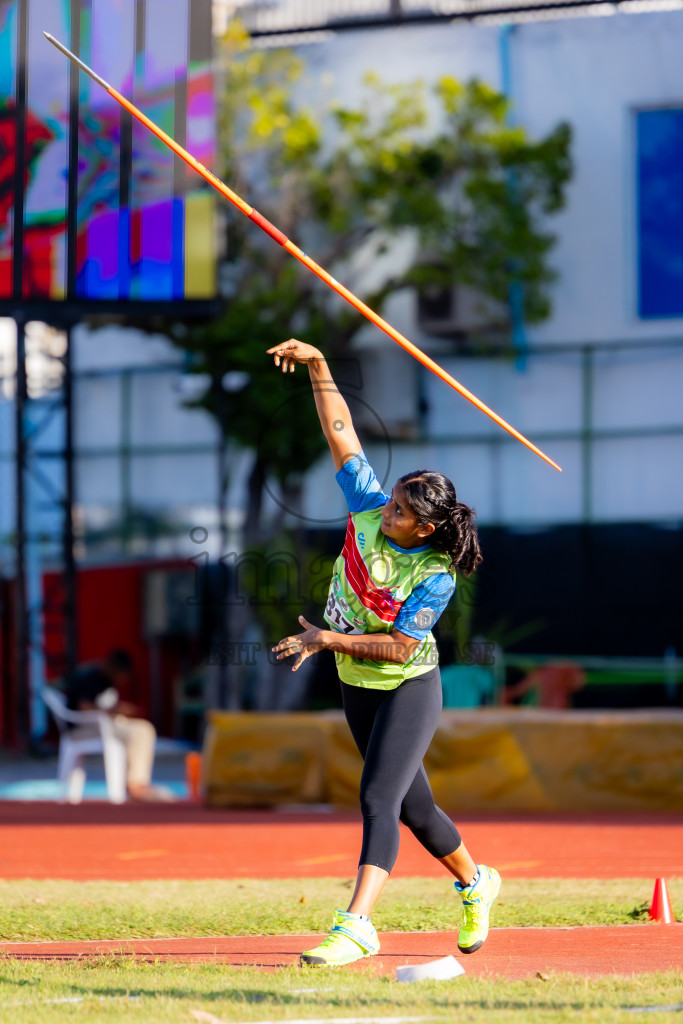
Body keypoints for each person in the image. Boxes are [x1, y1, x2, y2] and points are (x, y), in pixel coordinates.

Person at [267, 339, 501, 968]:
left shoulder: (436, 575)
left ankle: (357, 924)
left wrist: (328, 637)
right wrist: (319, 366)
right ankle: (477, 883)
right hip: (355, 680)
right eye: (390, 499)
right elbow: (342, 433)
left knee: (377, 799)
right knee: (417, 810)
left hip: (406, 686)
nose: (384, 508)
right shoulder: (369, 508)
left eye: (399, 511)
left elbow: (400, 646)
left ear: (424, 529)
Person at [64, 648, 173, 802]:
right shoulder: (92, 678)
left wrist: (120, 711)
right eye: (122, 674)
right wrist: (115, 711)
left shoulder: (108, 682)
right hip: (81, 728)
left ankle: (133, 782)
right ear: (113, 668)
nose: (123, 679)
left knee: (140, 729)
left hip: (101, 726)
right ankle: (136, 785)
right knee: (141, 731)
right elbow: (84, 708)